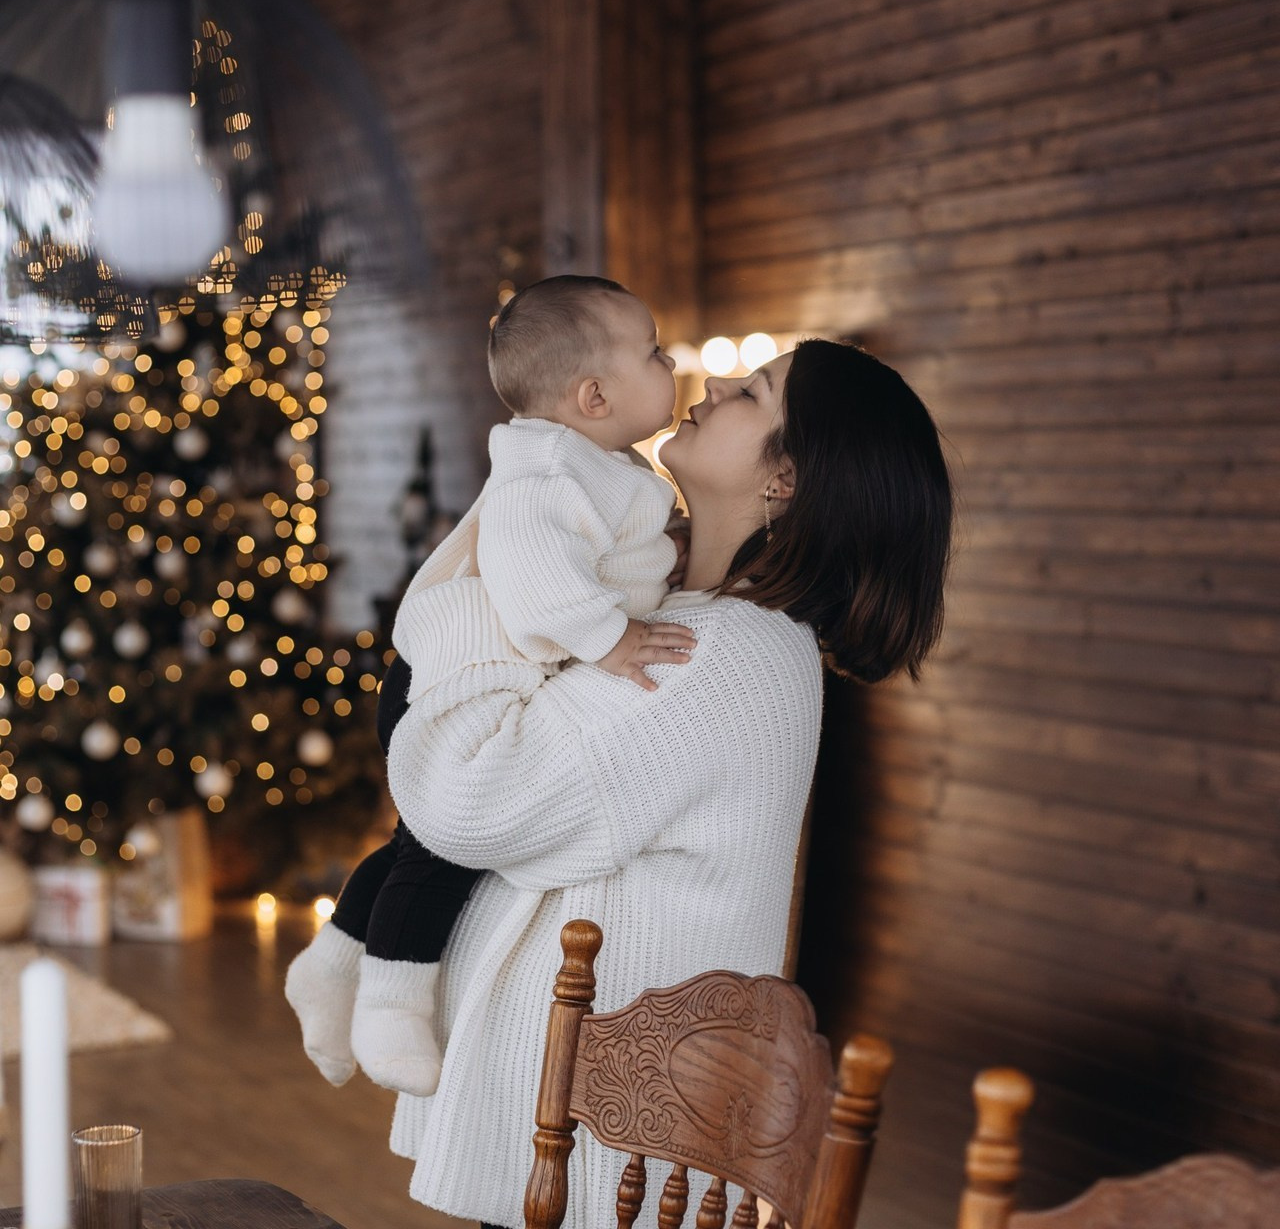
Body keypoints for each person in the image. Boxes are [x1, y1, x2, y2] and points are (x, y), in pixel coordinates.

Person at [363, 337, 953, 1229]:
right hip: (581, 1140)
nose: (713, 384)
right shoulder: (677, 620)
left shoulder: (718, 656)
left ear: (785, 479)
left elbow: (465, 800)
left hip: (606, 1168)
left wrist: (459, 618)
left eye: (753, 392)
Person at [285, 276, 694, 1097]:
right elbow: (539, 579)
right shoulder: (547, 472)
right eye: (653, 350)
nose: (672, 360)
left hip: (468, 673)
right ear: (595, 393)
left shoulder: (596, 462)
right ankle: (394, 1006)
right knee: (450, 846)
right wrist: (612, 641)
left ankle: (331, 964)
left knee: (416, 845)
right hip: (450, 679)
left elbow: (620, 553)